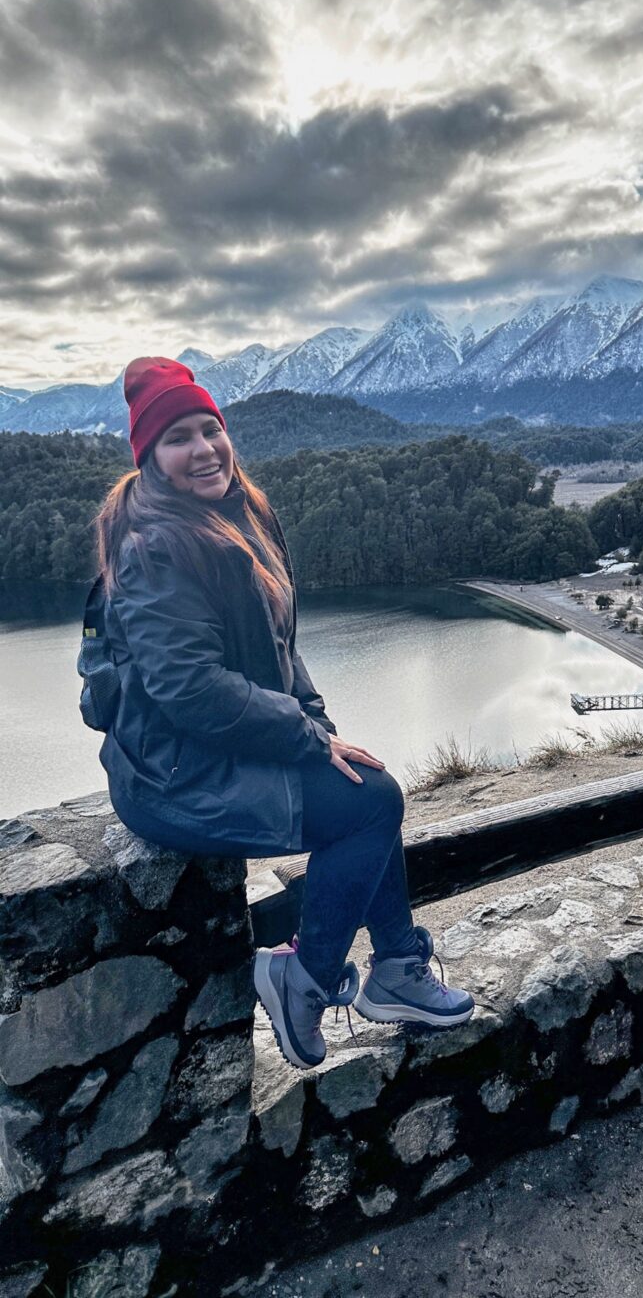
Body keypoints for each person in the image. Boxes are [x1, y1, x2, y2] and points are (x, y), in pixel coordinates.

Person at [94, 357, 474, 1070]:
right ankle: (304, 977)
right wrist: (302, 737)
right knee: (369, 806)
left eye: (211, 428)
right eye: (179, 437)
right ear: (150, 455)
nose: (204, 448)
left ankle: (394, 967)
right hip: (171, 774)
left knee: (366, 787)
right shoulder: (154, 547)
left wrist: (319, 728)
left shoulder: (244, 511)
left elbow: (279, 646)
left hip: (219, 744)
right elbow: (190, 688)